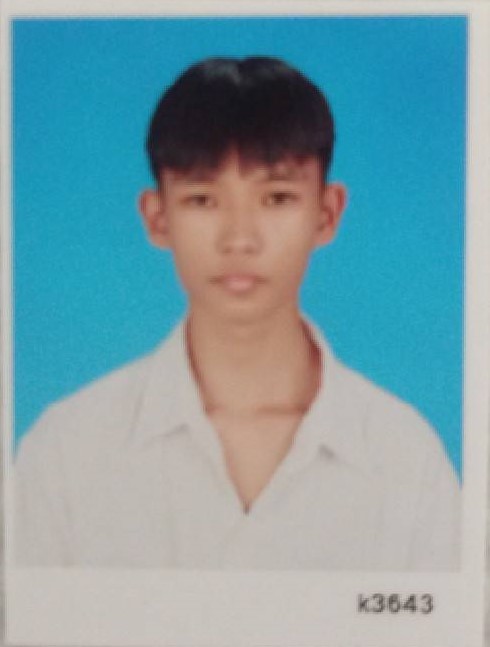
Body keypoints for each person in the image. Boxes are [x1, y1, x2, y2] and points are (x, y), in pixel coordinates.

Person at [14, 56, 460, 569]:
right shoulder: (66, 452)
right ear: (157, 218)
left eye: (277, 198)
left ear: (327, 213)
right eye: (203, 200)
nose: (240, 238)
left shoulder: (406, 459)